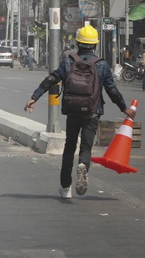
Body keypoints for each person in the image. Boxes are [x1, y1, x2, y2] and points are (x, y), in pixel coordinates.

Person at [24, 25, 136, 200]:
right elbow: (111, 90)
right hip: (92, 112)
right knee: (86, 147)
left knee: (69, 148)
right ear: (95, 44)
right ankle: (83, 164)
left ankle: (65, 187)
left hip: (73, 111)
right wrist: (124, 108)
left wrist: (34, 97)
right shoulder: (101, 65)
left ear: (78, 42)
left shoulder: (69, 61)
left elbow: (52, 79)